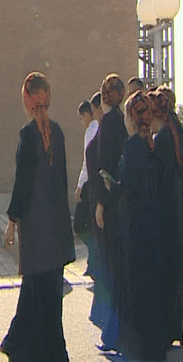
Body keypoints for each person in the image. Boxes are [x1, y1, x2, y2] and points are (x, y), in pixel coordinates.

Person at [0, 72, 75, 361]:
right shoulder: (57, 133)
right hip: (55, 225)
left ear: (28, 101)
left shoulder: (29, 135)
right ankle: (16, 340)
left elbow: (23, 182)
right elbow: (62, 181)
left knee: (41, 290)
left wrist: (12, 220)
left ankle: (52, 353)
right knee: (43, 287)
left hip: (36, 226)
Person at [104, 89, 164, 360]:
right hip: (151, 223)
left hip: (134, 225)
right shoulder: (151, 144)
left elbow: (127, 188)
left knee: (134, 286)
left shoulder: (131, 146)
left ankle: (134, 346)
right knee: (150, 287)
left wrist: (111, 185)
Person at [94, 73, 128, 351]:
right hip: (123, 201)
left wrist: (101, 204)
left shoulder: (108, 123)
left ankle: (113, 334)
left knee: (111, 270)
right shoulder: (123, 121)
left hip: (111, 203)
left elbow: (105, 168)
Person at [150, 86, 183, 351]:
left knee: (165, 274)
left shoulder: (162, 139)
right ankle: (174, 328)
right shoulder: (169, 134)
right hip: (173, 210)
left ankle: (166, 330)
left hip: (164, 213)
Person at [85, 91, 112, 330]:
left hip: (104, 204)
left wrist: (101, 204)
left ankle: (105, 316)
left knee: (106, 261)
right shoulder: (108, 128)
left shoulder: (107, 131)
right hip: (101, 200)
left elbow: (105, 171)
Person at [75, 98, 99, 273]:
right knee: (89, 224)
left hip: (89, 183)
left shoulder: (92, 129)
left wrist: (80, 185)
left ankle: (94, 255)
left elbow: (87, 161)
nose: (81, 122)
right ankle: (93, 260)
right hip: (92, 182)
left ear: (87, 114)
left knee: (80, 224)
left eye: (81, 118)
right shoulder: (95, 128)